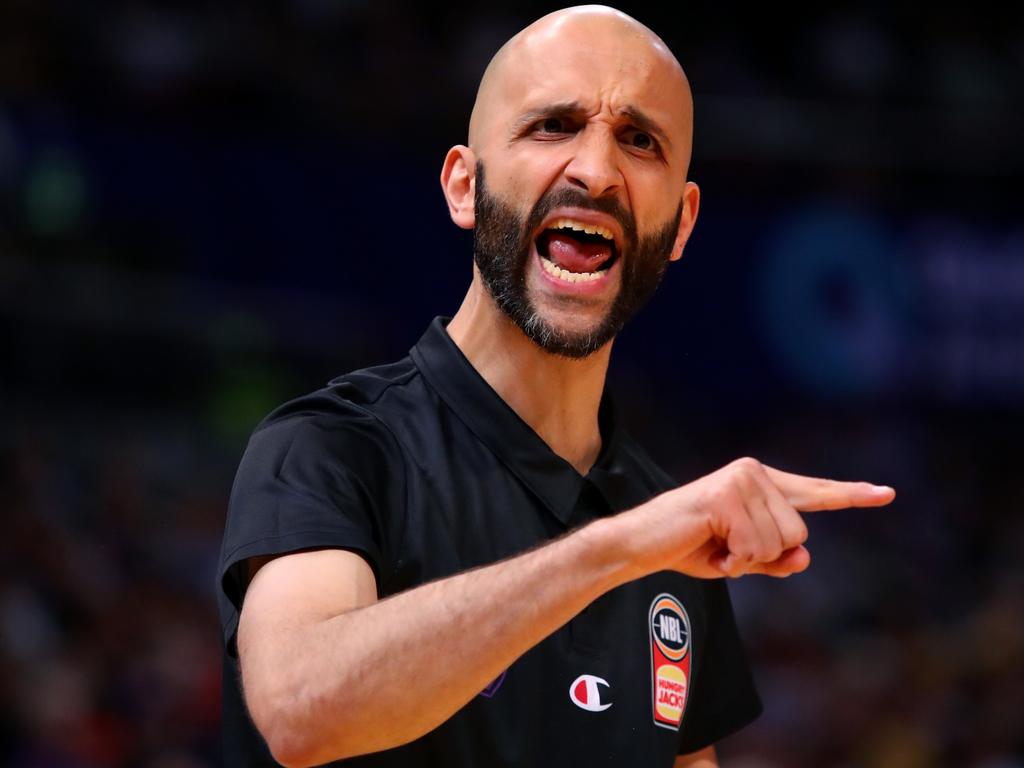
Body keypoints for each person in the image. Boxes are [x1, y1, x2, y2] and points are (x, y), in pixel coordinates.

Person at [216, 5, 896, 767]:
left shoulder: (669, 532)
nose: (597, 171)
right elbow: (302, 708)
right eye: (553, 127)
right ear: (464, 185)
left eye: (640, 141)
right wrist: (617, 551)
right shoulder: (327, 448)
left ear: (680, 224)